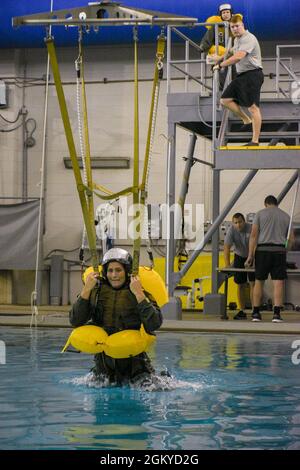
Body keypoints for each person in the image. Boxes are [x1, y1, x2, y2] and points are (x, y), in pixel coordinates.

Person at [69, 248, 163, 385]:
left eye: (118, 270)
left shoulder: (139, 292)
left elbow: (154, 324)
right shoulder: (95, 292)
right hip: (103, 366)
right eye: (110, 270)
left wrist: (139, 294)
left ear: (127, 271)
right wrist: (86, 289)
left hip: (135, 366)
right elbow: (75, 320)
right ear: (105, 272)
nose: (114, 275)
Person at [216, 14, 264, 146]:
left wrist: (221, 65)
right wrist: (218, 59)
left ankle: (255, 141)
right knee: (225, 100)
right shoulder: (237, 40)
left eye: (237, 26)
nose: (235, 29)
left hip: (253, 75)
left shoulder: (249, 38)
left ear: (242, 25)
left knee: (253, 107)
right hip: (242, 76)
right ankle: (246, 120)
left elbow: (238, 57)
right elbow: (231, 51)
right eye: (232, 27)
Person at [245, 195, 294, 322]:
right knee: (278, 283)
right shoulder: (286, 216)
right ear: (276, 204)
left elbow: (254, 236)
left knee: (259, 282)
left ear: (265, 203)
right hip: (279, 251)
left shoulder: (260, 214)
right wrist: (285, 251)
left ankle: (256, 313)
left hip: (262, 251)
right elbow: (291, 239)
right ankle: (276, 314)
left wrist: (250, 255)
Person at [223, 213, 255, 319]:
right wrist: (227, 265)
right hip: (239, 256)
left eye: (240, 222)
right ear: (233, 223)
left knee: (253, 284)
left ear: (244, 221)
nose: (238, 225)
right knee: (240, 284)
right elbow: (226, 248)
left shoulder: (251, 228)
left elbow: (255, 244)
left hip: (253, 256)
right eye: (236, 223)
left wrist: (251, 257)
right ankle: (242, 311)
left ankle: (255, 310)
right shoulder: (231, 230)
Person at [199, 4, 235, 90]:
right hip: (219, 58)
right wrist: (202, 47)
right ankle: (221, 94)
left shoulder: (235, 26)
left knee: (234, 77)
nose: (225, 14)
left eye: (227, 12)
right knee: (220, 77)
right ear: (220, 15)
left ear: (231, 13)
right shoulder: (215, 26)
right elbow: (207, 39)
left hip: (233, 57)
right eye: (223, 13)